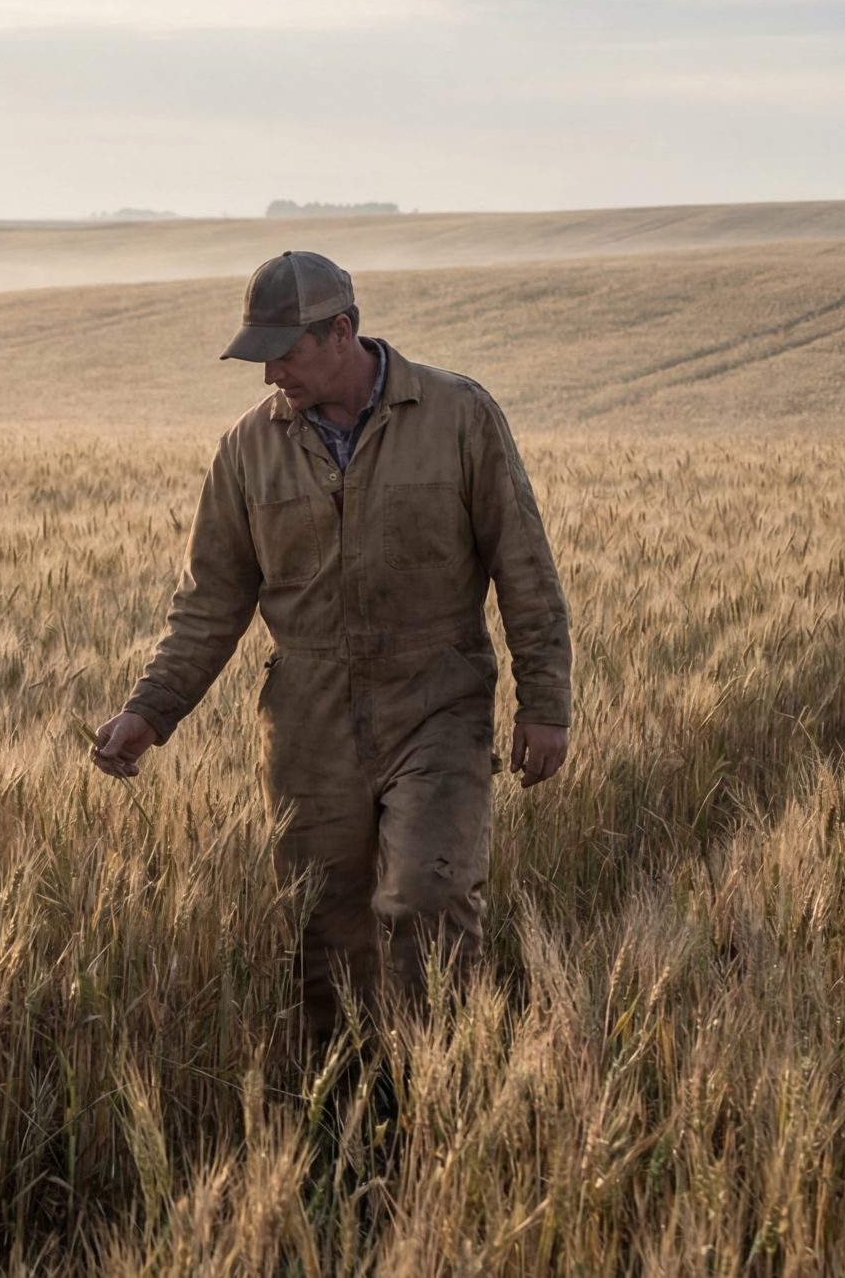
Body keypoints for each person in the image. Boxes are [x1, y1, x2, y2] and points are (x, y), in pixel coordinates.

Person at [91, 249, 572, 1043]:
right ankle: (348, 1121)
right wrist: (150, 711)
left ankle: (443, 1101)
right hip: (307, 721)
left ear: (342, 331)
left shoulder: (459, 415)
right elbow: (210, 603)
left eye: (284, 352)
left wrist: (545, 702)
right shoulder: (247, 450)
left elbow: (523, 564)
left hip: (436, 703)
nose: (269, 373)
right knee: (324, 931)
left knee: (427, 900)